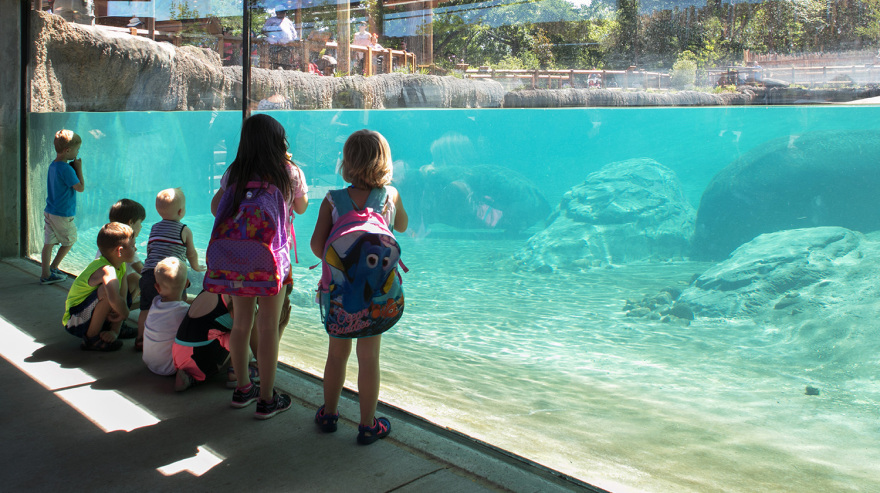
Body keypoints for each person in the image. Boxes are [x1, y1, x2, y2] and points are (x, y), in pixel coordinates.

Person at [310, 129, 408, 444]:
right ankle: (367, 425)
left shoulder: (332, 199)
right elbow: (402, 227)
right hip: (377, 296)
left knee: (336, 355)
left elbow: (316, 246)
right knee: (369, 358)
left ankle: (328, 414)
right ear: (384, 161)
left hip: (339, 296)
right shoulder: (390, 196)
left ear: (346, 162)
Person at [210, 114, 308, 419]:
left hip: (237, 259)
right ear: (278, 142)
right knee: (267, 326)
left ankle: (242, 388)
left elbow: (216, 208)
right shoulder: (288, 172)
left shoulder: (234, 172)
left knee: (241, 324)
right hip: (271, 261)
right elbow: (302, 207)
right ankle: (267, 398)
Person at [172, 286, 292, 392]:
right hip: (199, 357)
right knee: (243, 334)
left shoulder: (222, 286)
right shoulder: (245, 308)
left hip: (179, 352)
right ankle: (234, 373)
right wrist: (280, 326)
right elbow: (263, 353)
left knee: (237, 329)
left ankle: (191, 376)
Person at [137, 188, 205, 352]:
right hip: (172, 276)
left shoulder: (154, 227)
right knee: (176, 307)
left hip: (149, 274)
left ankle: (140, 339)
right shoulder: (184, 230)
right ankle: (175, 339)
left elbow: (150, 249)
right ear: (181, 211)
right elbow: (191, 253)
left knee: (145, 308)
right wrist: (195, 267)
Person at [62, 222, 136, 351]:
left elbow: (122, 296)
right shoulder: (106, 270)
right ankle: (91, 338)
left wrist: (115, 330)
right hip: (76, 320)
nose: (136, 249)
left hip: (92, 312)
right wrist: (124, 313)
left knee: (135, 280)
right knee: (108, 291)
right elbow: (113, 298)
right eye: (133, 246)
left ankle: (113, 330)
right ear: (120, 251)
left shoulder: (121, 265)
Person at [41, 129, 84, 285]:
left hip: (50, 211)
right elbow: (80, 187)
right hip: (62, 213)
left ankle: (46, 273)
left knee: (48, 243)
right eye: (77, 149)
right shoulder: (66, 169)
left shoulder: (54, 165)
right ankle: (53, 266)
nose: (78, 152)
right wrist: (79, 168)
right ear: (68, 150)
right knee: (70, 239)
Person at [97, 199, 146, 317]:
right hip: (112, 294)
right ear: (131, 223)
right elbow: (143, 271)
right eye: (140, 222)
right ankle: (122, 312)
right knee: (137, 279)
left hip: (99, 293)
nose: (141, 226)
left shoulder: (108, 242)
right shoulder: (126, 248)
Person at [143, 257, 189, 376]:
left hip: (149, 362)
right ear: (187, 283)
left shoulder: (155, 303)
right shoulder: (185, 311)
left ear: (157, 288)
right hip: (169, 368)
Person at [262, 5, 298, 70]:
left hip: (287, 45)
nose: (283, 13)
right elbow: (264, 30)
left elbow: (294, 32)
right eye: (281, 12)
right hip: (275, 45)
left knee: (286, 60)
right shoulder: (271, 20)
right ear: (277, 13)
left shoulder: (288, 21)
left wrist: (293, 39)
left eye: (284, 12)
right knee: (275, 60)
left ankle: (286, 70)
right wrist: (273, 37)